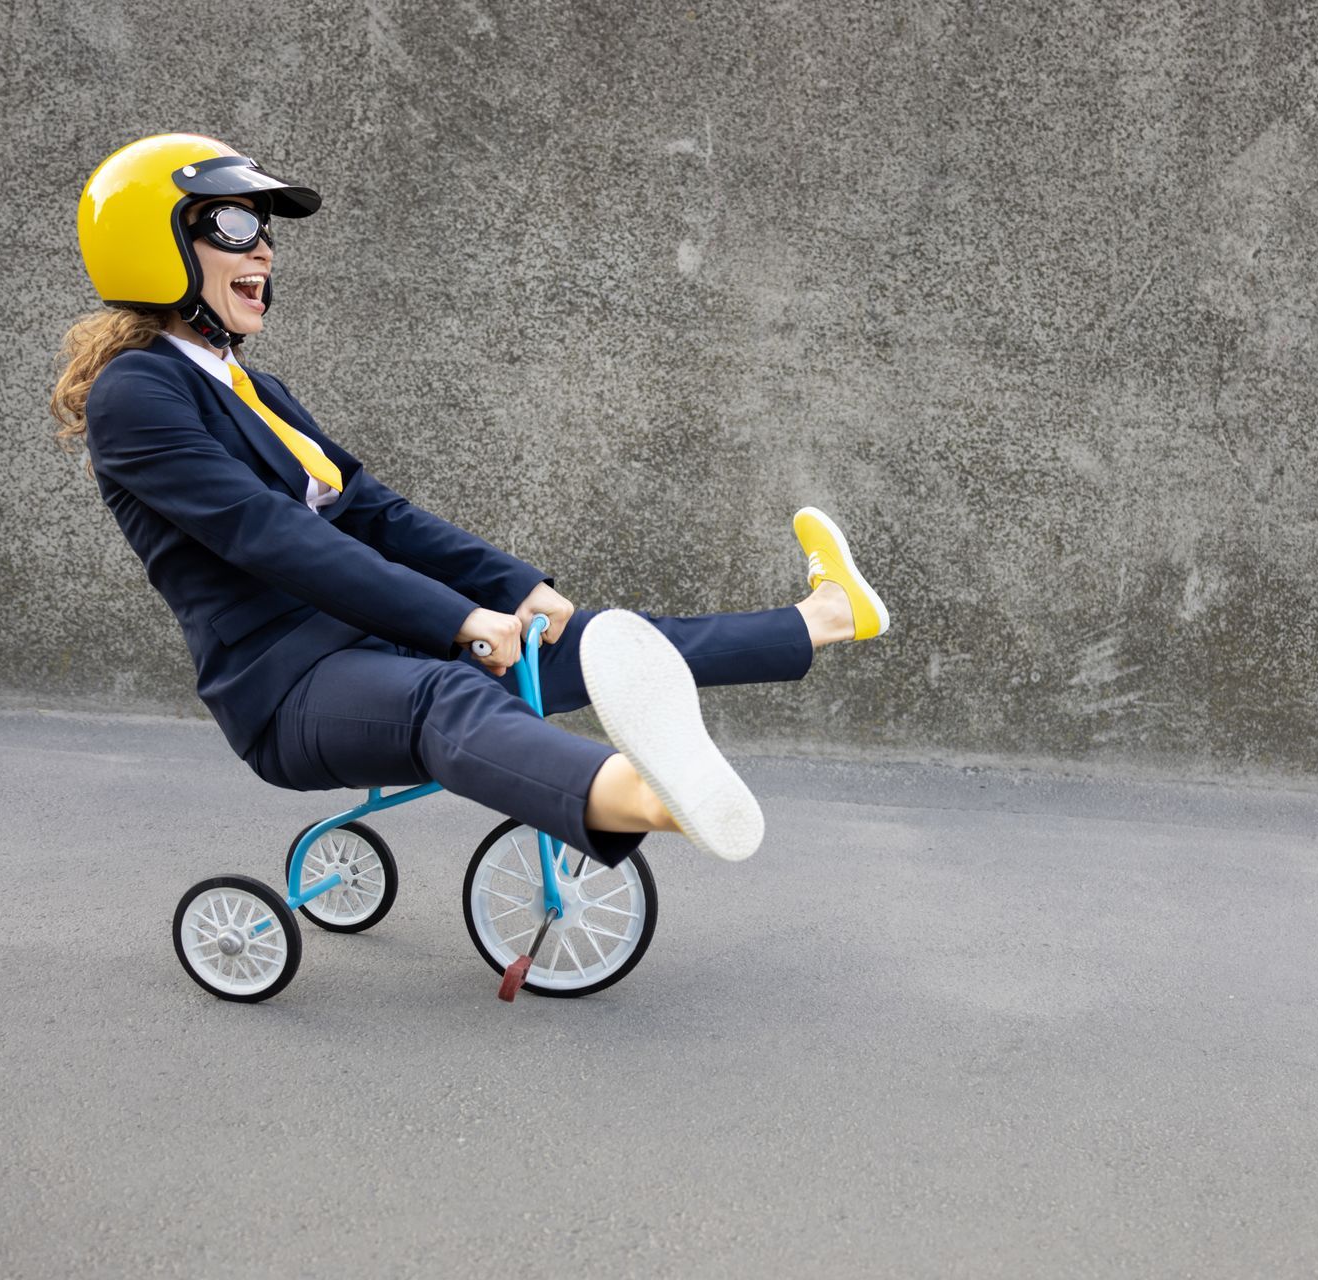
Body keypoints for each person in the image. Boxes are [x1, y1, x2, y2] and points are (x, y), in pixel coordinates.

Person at [50, 132, 890, 867]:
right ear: (151, 244)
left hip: (377, 640)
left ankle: (827, 616)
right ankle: (649, 796)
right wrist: (456, 620)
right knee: (447, 698)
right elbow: (268, 535)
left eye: (264, 229)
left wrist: (512, 588)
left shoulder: (249, 384)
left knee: (590, 640)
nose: (264, 249)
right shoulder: (137, 394)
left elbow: (374, 512)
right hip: (289, 687)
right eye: (235, 225)